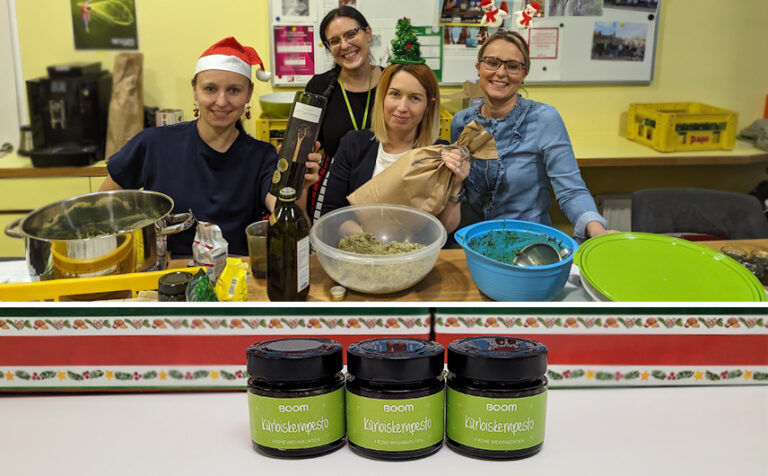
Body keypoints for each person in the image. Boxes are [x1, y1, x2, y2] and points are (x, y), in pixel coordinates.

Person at [100, 37, 320, 257]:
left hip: (236, 279)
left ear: (248, 93)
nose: (221, 101)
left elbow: (283, 213)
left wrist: (297, 188)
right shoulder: (153, 144)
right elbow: (103, 204)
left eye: (234, 90)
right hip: (167, 275)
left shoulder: (261, 156)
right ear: (195, 90)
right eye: (210, 89)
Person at [450, 30, 612, 242]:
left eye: (512, 66)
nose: (501, 73)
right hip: (472, 242)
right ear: (478, 67)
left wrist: (597, 230)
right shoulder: (461, 122)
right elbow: (458, 189)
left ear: (524, 74)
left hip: (527, 244)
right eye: (492, 62)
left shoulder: (544, 119)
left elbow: (571, 190)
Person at [320, 63, 469, 233]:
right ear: (382, 96)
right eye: (395, 94)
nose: (402, 107)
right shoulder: (354, 144)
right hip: (362, 253)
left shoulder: (439, 155)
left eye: (415, 98)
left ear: (429, 105)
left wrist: (456, 185)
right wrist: (373, 244)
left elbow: (444, 229)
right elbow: (332, 212)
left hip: (418, 254)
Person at [304, 7, 383, 222]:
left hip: (385, 187)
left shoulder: (392, 83)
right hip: (332, 190)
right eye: (335, 41)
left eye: (351, 34)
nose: (345, 45)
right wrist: (301, 212)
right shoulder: (319, 87)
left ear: (368, 33)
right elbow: (304, 149)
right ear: (329, 48)